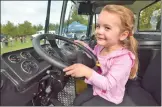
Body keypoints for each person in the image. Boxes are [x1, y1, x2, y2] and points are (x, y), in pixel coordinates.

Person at [63, 4, 138, 106]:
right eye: (98, 26)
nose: (99, 31)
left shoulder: (124, 59)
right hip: (97, 88)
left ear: (123, 35)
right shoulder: (101, 47)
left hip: (111, 97)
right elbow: (94, 58)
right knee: (77, 101)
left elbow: (108, 84)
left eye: (107, 28)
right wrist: (85, 48)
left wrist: (87, 72)